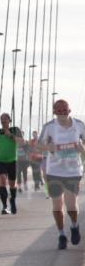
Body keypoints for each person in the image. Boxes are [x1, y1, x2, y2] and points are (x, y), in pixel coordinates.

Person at [38, 99, 85, 249]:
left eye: (65, 109)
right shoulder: (49, 127)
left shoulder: (79, 125)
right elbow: (39, 145)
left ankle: (74, 225)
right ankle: (62, 235)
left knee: (71, 206)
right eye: (59, 110)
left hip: (73, 171)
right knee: (57, 205)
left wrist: (82, 148)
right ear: (54, 112)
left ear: (70, 110)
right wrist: (48, 146)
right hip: (54, 171)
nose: (63, 112)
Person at [0, 113, 25, 214]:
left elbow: (21, 142)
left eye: (5, 119)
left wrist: (10, 135)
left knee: (12, 185)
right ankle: (4, 206)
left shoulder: (15, 130)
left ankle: (13, 201)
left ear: (9, 120)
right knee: (2, 181)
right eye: (1, 119)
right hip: (1, 160)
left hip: (12, 161)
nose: (3, 121)